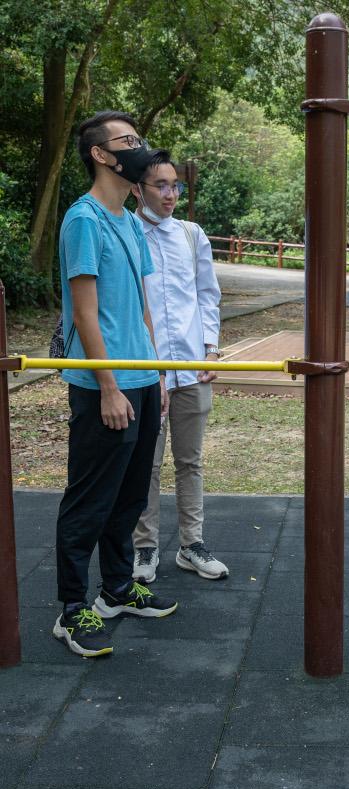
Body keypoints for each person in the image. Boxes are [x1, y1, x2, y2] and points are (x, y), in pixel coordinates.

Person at [52, 111, 178, 659]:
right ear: (101, 155)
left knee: (129, 497)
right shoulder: (83, 220)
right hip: (105, 383)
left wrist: (156, 371)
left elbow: (141, 307)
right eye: (127, 142)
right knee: (90, 499)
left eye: (138, 139)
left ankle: (118, 589)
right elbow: (85, 314)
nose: (138, 149)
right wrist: (108, 386)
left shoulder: (128, 218)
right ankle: (71, 609)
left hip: (141, 377)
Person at [130, 155, 229, 582]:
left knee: (190, 460)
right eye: (161, 186)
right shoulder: (125, 232)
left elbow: (208, 294)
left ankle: (192, 544)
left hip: (190, 364)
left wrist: (210, 349)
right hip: (145, 368)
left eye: (175, 186)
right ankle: (145, 547)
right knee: (145, 463)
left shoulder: (191, 235)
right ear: (138, 189)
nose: (171, 195)